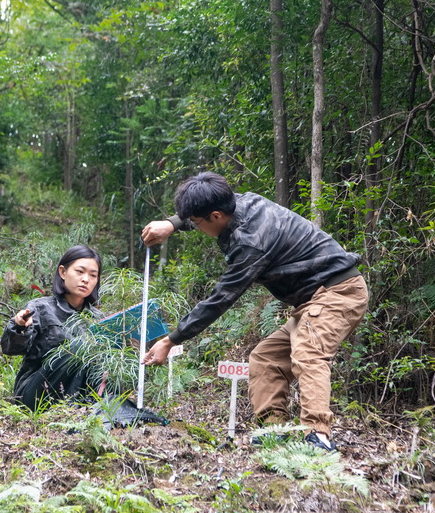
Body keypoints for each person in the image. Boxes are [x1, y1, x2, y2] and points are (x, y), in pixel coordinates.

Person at [141, 172, 368, 451]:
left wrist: (171, 340)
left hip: (338, 293)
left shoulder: (251, 242)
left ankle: (317, 436)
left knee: (308, 353)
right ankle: (274, 430)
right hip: (311, 300)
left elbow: (220, 299)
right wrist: (172, 223)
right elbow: (208, 208)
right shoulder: (240, 202)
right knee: (266, 357)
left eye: (197, 223)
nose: (197, 228)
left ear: (215, 216)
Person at [1, 245, 106, 410]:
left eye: (93, 275)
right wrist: (19, 327)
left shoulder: (98, 318)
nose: (86, 279)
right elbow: (10, 349)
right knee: (80, 347)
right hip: (36, 394)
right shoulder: (41, 308)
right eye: (80, 272)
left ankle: (95, 408)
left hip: (82, 399)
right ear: (63, 272)